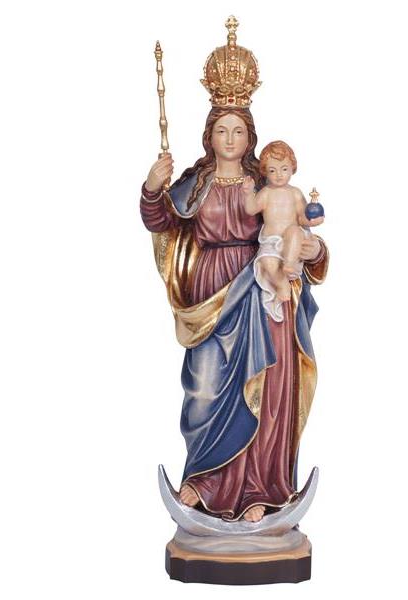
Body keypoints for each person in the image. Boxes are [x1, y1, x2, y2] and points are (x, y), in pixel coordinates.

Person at [140, 20, 328, 523]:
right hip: (210, 293)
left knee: (266, 388)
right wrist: (154, 186)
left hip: (258, 287)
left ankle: (262, 488)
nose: (230, 138)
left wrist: (312, 250)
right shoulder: (196, 181)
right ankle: (203, 480)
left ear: (250, 136)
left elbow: (295, 231)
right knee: (205, 388)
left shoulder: (265, 183)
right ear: (209, 134)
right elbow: (161, 220)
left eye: (238, 130)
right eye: (221, 130)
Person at [243, 140, 324, 322]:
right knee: (267, 262)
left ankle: (289, 264)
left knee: (294, 231)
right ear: (265, 171)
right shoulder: (265, 193)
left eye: (284, 169)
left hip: (290, 242)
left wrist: (314, 220)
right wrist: (248, 193)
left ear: (292, 168)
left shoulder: (295, 193)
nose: (279, 175)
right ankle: (281, 284)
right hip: (271, 241)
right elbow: (251, 209)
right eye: (272, 170)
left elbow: (302, 218)